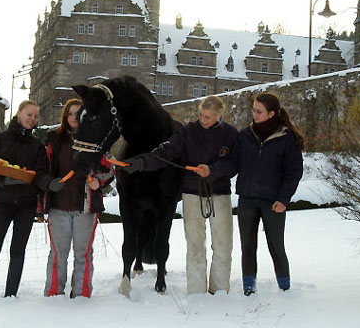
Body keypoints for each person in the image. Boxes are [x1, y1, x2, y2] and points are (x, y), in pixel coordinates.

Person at [123, 95, 238, 295]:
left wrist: (212, 170)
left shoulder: (230, 134)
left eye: (208, 117)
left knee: (222, 245)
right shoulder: (189, 132)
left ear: (219, 116)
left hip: (219, 194)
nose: (203, 120)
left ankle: (219, 290)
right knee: (195, 245)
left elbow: (234, 163)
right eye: (201, 115)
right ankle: (196, 291)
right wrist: (141, 162)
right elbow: (166, 152)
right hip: (192, 194)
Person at [205, 92, 304, 296]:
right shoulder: (245, 136)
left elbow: (293, 173)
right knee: (247, 247)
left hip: (273, 202)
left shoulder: (286, 139)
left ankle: (285, 288)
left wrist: (283, 199)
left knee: (276, 246)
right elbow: (233, 163)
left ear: (271, 114)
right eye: (254, 111)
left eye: (259, 112)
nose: (255, 115)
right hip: (247, 199)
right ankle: (249, 287)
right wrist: (212, 170)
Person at [0, 100, 62, 299]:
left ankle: (10, 296)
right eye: (29, 114)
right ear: (19, 113)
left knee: (18, 250)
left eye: (36, 116)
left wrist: (49, 183)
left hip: (26, 205)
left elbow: (40, 174)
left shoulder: (37, 145)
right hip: (2, 203)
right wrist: (0, 180)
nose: (32, 119)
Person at [42, 98, 113, 298]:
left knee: (83, 255)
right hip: (58, 206)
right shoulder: (54, 140)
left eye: (78, 113)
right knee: (58, 255)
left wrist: (98, 181)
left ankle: (81, 294)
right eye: (70, 113)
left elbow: (109, 170)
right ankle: (54, 293)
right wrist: (49, 183)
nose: (74, 117)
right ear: (65, 116)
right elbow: (42, 171)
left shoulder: (96, 141)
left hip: (86, 208)